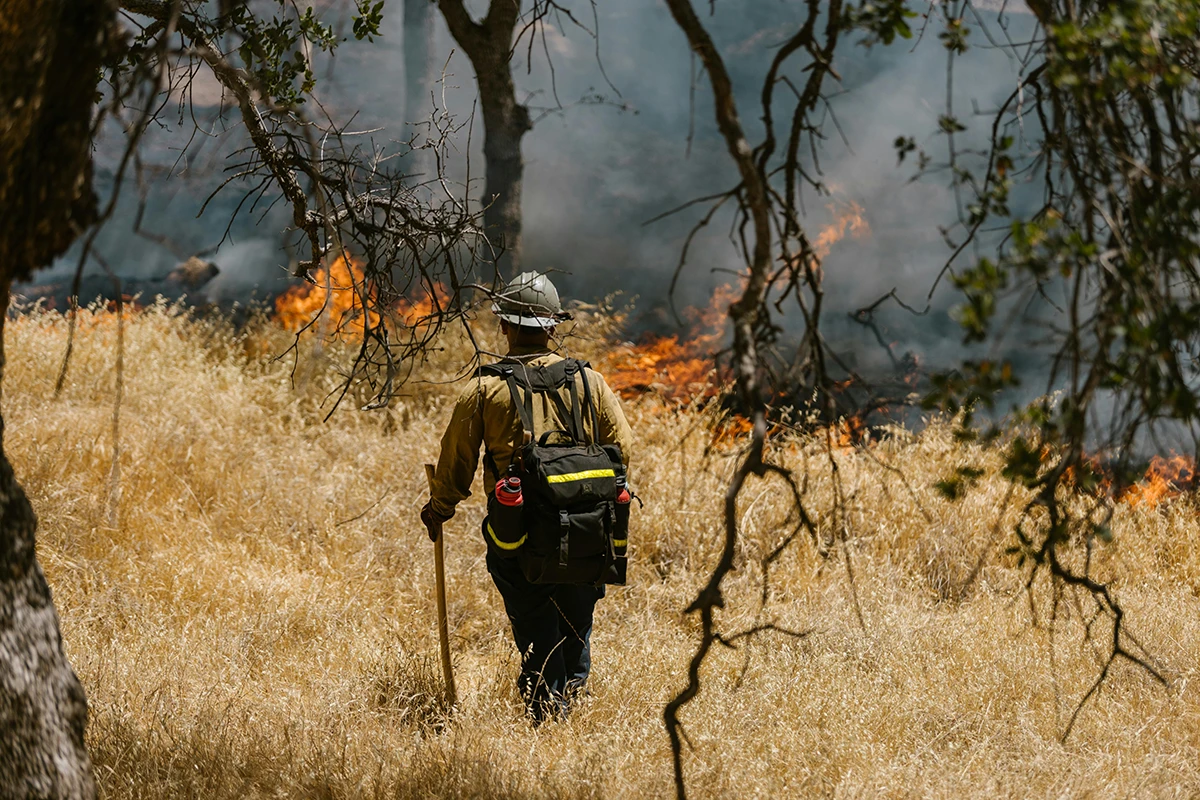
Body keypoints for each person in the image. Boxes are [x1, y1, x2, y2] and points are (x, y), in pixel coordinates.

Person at [421, 272, 634, 722]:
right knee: (576, 629)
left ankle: (548, 721)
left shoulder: (485, 389)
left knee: (537, 629)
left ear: (504, 326)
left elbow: (456, 463)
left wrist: (439, 508)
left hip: (518, 536)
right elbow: (624, 450)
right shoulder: (590, 382)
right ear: (553, 328)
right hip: (589, 531)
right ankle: (572, 714)